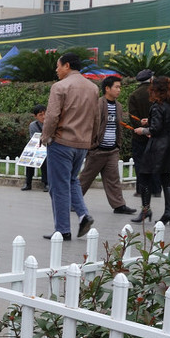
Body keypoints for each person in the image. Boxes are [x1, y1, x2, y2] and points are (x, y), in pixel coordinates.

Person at [42, 53, 98, 241]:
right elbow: (96, 117)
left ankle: (63, 230)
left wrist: (45, 137)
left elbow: (51, 116)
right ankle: (83, 215)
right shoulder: (93, 87)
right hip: (82, 143)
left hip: (62, 142)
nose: (56, 70)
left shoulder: (60, 87)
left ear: (66, 66)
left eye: (58, 66)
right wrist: (91, 140)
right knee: (72, 180)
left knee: (59, 187)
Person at [79, 76, 136, 215]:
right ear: (107, 88)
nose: (119, 90)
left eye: (120, 87)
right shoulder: (97, 104)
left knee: (113, 179)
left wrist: (117, 145)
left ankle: (119, 205)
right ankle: (73, 202)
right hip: (97, 150)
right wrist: (91, 145)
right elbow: (88, 125)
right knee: (85, 179)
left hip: (112, 150)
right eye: (116, 87)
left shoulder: (118, 106)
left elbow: (117, 127)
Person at [133, 75, 170, 226]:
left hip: (157, 147)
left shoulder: (157, 106)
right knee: (166, 179)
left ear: (155, 90)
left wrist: (143, 130)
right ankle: (168, 212)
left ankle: (146, 209)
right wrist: (150, 121)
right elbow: (166, 123)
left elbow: (155, 129)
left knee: (144, 176)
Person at [128, 69, 154, 200]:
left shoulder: (134, 95)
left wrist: (141, 127)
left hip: (139, 135)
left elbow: (132, 117)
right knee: (155, 162)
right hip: (155, 134)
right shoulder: (156, 94)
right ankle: (156, 189)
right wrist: (151, 128)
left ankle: (140, 189)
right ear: (151, 79)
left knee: (140, 163)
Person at [22, 104, 48, 191]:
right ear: (35, 116)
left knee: (44, 159)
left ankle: (46, 183)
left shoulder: (51, 124)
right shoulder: (33, 125)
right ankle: (28, 183)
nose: (43, 117)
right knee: (29, 160)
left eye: (45, 114)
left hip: (49, 147)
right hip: (38, 147)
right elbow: (34, 139)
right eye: (40, 115)